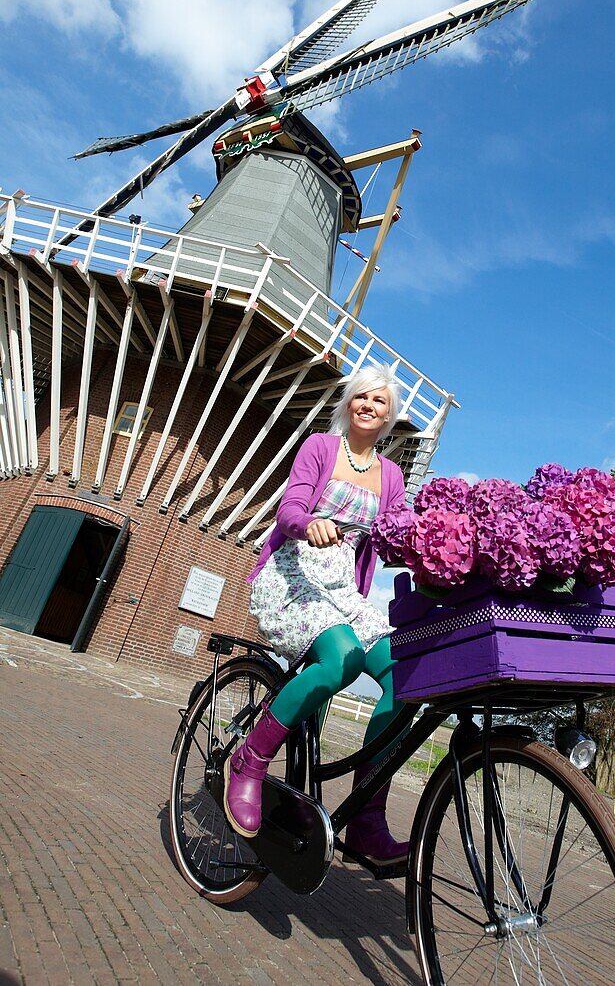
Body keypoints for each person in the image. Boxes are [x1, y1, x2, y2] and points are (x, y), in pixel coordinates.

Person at [224, 363, 411, 865]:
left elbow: (394, 537)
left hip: (343, 587)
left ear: (391, 417)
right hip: (295, 573)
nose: (370, 406)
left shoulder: (391, 475)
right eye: (362, 397)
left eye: (381, 402)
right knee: (342, 659)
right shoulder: (320, 447)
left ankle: (367, 816)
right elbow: (289, 509)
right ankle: (251, 761)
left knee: (403, 674)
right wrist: (310, 525)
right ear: (349, 402)